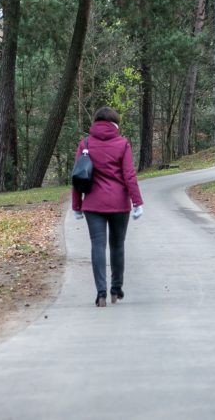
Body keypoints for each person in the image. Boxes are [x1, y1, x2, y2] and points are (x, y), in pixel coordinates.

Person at [71, 106, 144, 307]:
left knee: (97, 245)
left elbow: (78, 176)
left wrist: (77, 205)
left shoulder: (85, 144)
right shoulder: (122, 144)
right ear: (115, 124)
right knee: (117, 245)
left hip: (93, 204)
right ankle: (116, 289)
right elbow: (129, 175)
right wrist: (137, 202)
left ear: (96, 123)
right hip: (119, 204)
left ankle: (101, 293)